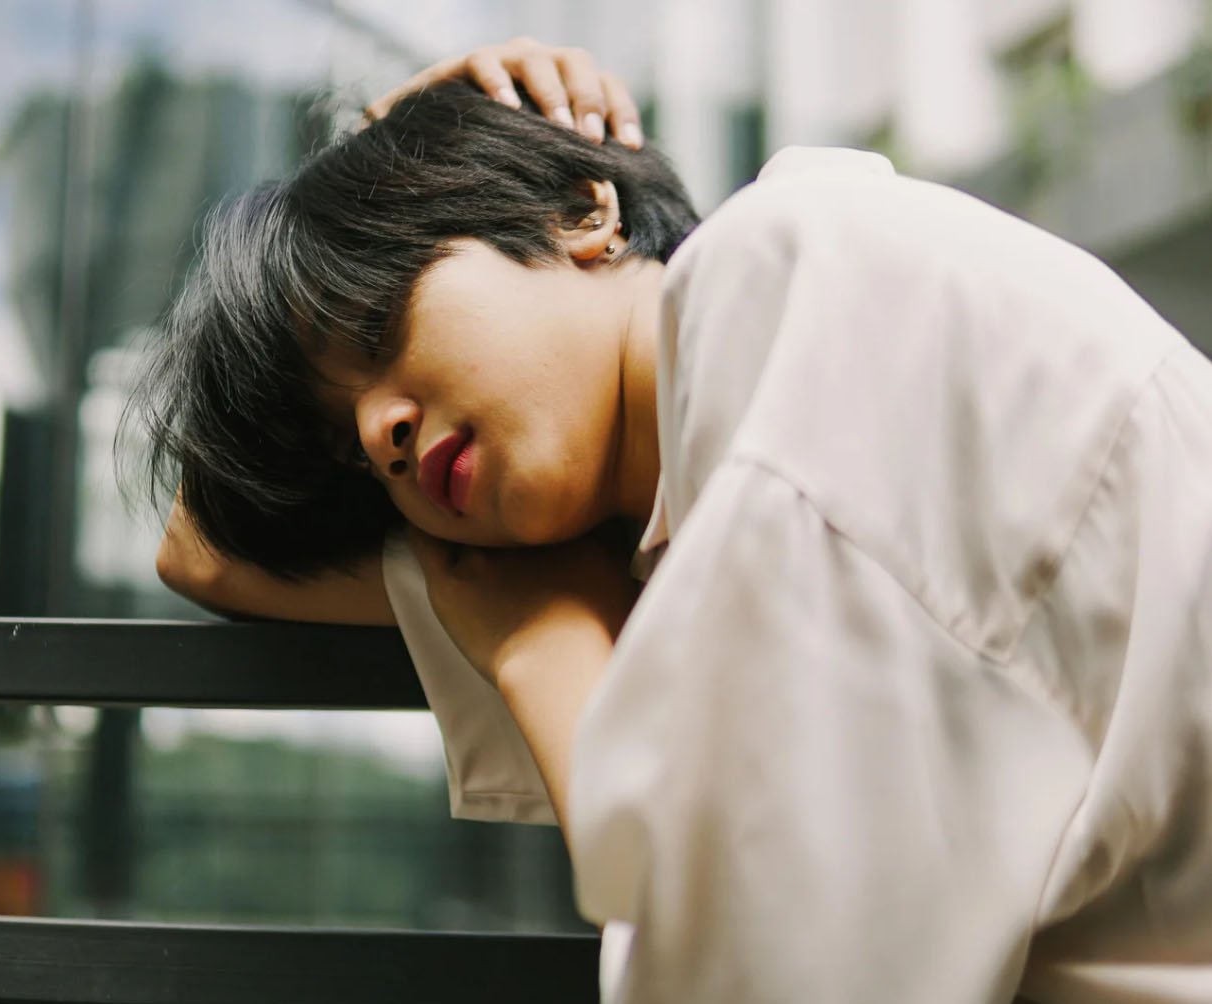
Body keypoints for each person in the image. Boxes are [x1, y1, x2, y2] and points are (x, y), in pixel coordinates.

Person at [133, 39, 1212, 1003]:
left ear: (582, 213)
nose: (379, 433)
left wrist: (546, 656)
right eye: (347, 449)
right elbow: (206, 542)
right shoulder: (652, 518)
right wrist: (399, 147)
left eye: (378, 320)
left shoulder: (796, 289)